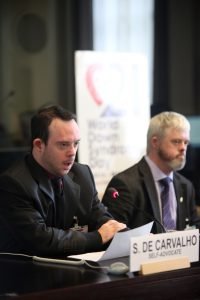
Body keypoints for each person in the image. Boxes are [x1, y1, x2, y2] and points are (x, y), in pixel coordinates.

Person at [0, 105, 126, 256]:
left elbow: (100, 218)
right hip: (27, 275)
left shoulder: (82, 174)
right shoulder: (13, 184)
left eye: (76, 143)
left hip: (75, 271)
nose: (72, 152)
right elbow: (43, 240)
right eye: (63, 145)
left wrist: (132, 239)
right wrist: (98, 237)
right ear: (39, 145)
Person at [102, 111, 200, 233]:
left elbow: (194, 231)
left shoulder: (185, 186)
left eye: (186, 142)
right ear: (155, 142)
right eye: (176, 141)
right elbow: (112, 238)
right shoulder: (125, 184)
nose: (183, 148)